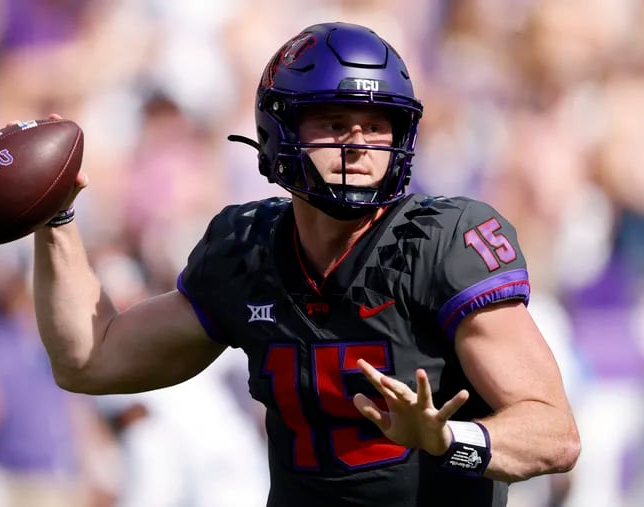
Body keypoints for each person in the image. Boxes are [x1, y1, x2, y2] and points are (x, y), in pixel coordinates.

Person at [32, 22, 580, 507]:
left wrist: (447, 440)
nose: (360, 145)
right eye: (336, 123)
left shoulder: (444, 242)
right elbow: (89, 359)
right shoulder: (245, 250)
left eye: (377, 124)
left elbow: (555, 434)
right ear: (281, 130)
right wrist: (55, 220)